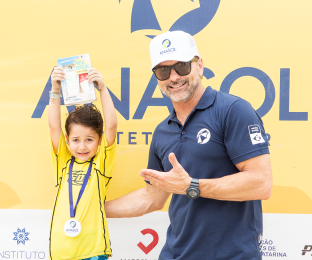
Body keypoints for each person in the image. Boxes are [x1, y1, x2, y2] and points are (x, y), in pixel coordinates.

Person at [105, 30, 272, 260]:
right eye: (163, 70)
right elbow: (152, 198)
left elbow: (261, 183)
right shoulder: (162, 131)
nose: (173, 77)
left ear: (200, 66)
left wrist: (191, 186)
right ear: (157, 77)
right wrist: (94, 211)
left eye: (182, 66)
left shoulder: (233, 110)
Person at [48, 67, 117, 260]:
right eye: (76, 140)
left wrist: (102, 89)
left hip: (92, 251)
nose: (82, 146)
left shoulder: (100, 165)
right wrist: (55, 89)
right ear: (67, 140)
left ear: (99, 140)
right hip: (60, 251)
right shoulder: (62, 161)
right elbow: (54, 126)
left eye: (89, 139)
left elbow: (111, 126)